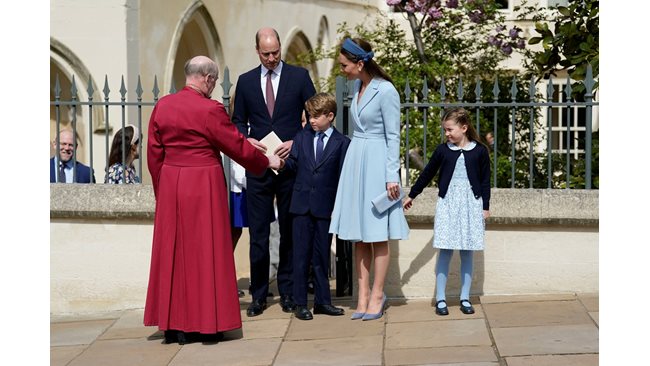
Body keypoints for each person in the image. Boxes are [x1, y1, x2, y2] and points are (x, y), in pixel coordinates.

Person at [143, 55, 283, 345]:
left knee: (175, 255)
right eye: (214, 81)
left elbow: (154, 154)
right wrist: (266, 159)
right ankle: (206, 325)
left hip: (171, 182)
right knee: (206, 253)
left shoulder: (163, 105)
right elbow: (234, 146)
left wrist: (164, 190)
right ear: (207, 78)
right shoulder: (210, 109)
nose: (214, 86)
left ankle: (175, 326)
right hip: (203, 183)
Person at [232, 27, 316, 317]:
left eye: (276, 52)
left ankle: (290, 292)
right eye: (266, 53)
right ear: (257, 51)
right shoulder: (244, 82)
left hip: (290, 166)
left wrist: (296, 142)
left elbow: (315, 117)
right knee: (258, 233)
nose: (271, 58)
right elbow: (237, 122)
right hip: (258, 166)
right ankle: (258, 295)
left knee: (290, 231)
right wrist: (246, 139)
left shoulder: (299, 77)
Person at [329, 38, 410, 321]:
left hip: (377, 164)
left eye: (344, 65)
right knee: (358, 234)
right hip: (357, 161)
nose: (342, 70)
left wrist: (392, 177)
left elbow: (393, 136)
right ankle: (361, 296)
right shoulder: (356, 87)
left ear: (360, 63)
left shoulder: (386, 90)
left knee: (377, 234)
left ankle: (377, 294)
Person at [403, 107, 491, 316]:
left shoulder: (479, 151)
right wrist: (412, 195)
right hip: (448, 203)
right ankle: (441, 298)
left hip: (471, 204)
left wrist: (485, 206)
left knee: (467, 251)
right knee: (445, 249)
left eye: (450, 129)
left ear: (464, 127)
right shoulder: (443, 151)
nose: (447, 134)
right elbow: (427, 174)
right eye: (445, 130)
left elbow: (485, 180)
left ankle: (465, 297)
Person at [283, 93, 350, 320]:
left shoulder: (342, 143)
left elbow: (343, 177)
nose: (311, 120)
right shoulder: (301, 138)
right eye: (309, 115)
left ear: (330, 116)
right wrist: (281, 163)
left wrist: (339, 207)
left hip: (325, 207)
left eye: (316, 116)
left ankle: (323, 301)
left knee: (321, 256)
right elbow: (293, 164)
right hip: (301, 206)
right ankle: (300, 302)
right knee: (300, 256)